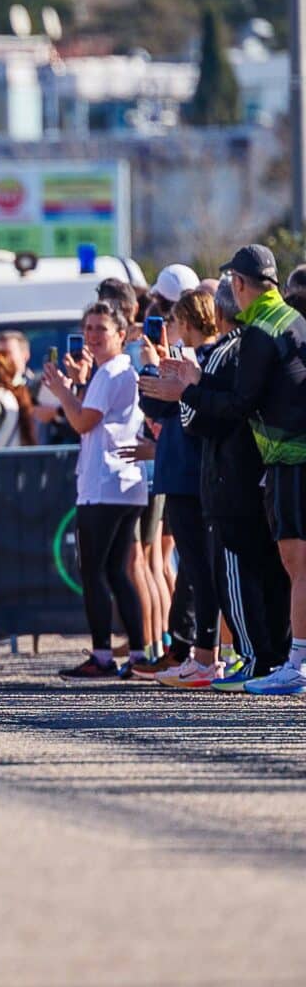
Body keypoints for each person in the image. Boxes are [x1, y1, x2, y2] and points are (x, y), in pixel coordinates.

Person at [155, 244, 306, 694]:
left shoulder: (259, 328)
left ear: (239, 284)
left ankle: (294, 660)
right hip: (288, 456)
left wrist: (188, 389)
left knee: (295, 563)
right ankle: (292, 657)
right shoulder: (293, 318)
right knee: (292, 565)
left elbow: (240, 404)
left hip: (288, 457)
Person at [43, 301, 148, 678]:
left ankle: (104, 654)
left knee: (95, 571)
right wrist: (76, 388)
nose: (92, 336)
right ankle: (138, 652)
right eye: (88, 328)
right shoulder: (117, 370)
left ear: (121, 334)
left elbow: (83, 421)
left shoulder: (112, 371)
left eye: (101, 329)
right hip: (124, 481)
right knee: (117, 572)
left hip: (103, 484)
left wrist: (61, 391)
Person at [136, 289, 225, 687]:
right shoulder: (191, 359)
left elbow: (169, 404)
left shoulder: (201, 359)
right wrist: (152, 370)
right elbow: (157, 406)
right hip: (181, 475)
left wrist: (156, 369)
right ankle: (200, 654)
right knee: (193, 567)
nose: (169, 329)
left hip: (195, 478)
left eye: (172, 321)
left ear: (186, 322)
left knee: (199, 570)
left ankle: (207, 656)